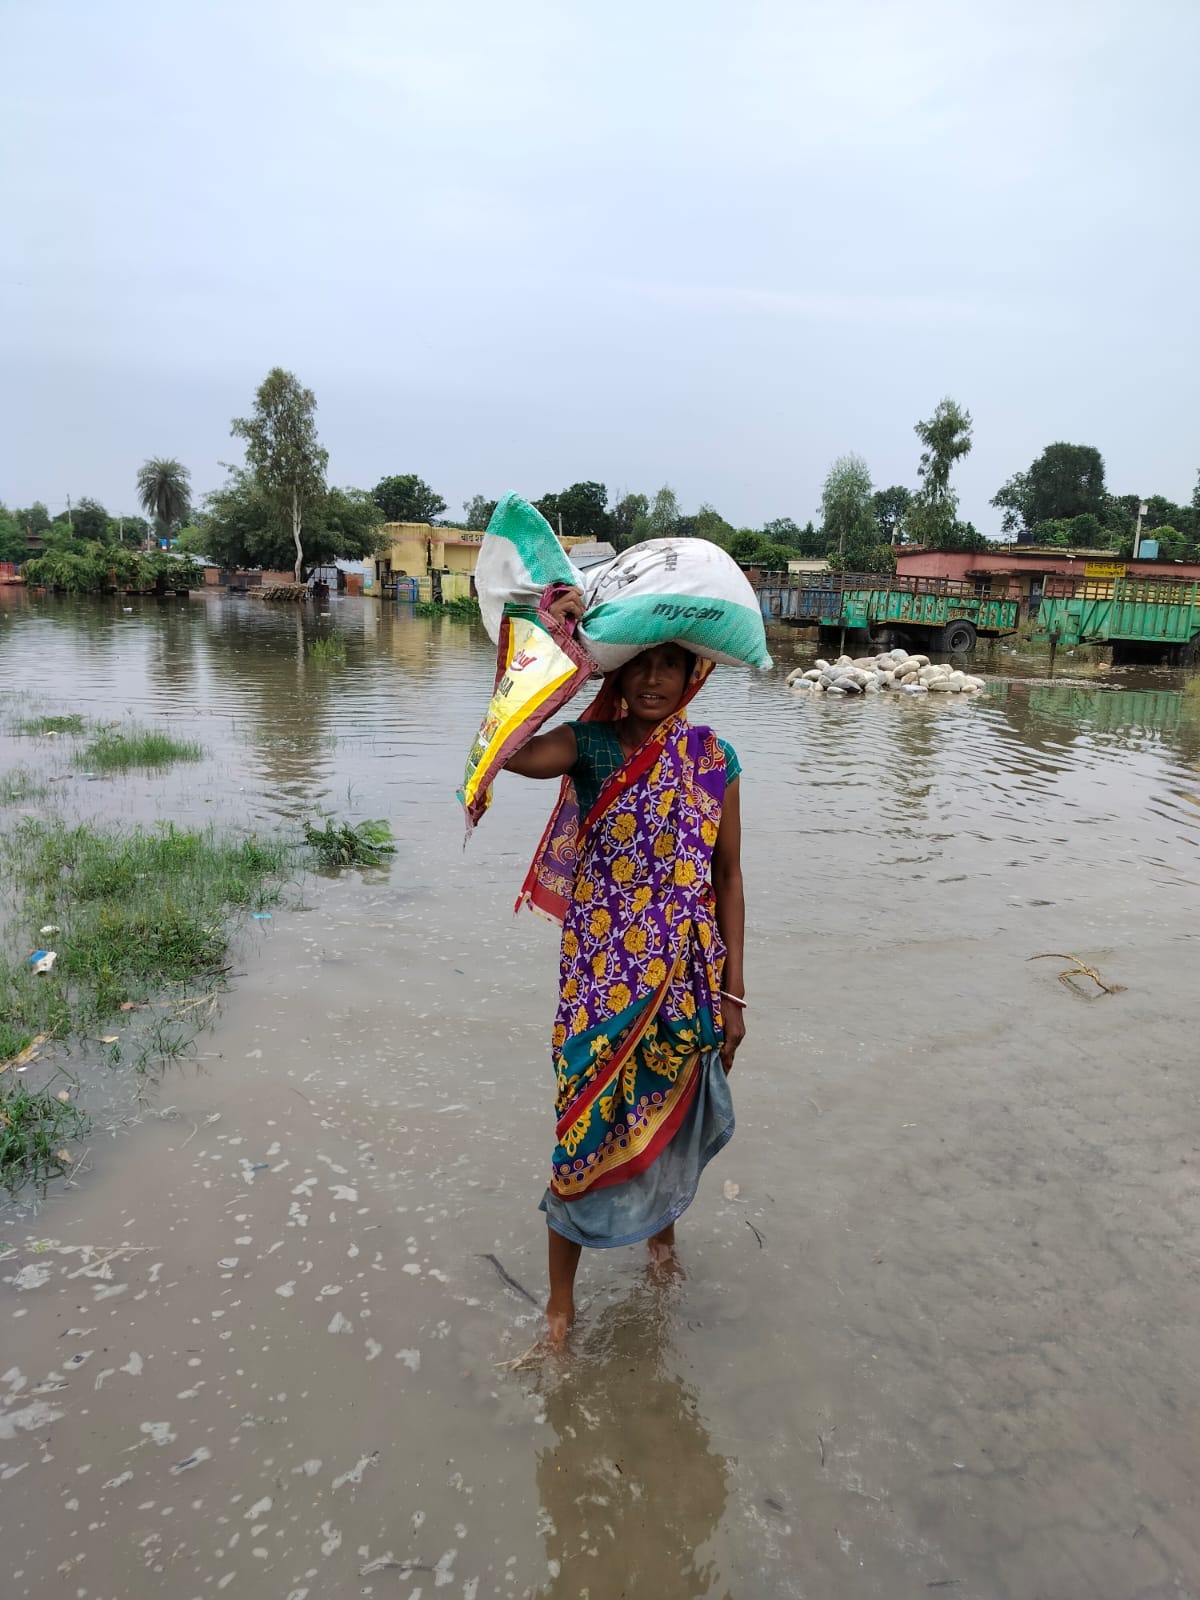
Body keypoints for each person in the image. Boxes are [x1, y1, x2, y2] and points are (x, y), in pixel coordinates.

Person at [503, 585, 746, 1344]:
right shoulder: (589, 745)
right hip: (599, 985)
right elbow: (510, 751)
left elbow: (727, 876)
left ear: (693, 674)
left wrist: (735, 996)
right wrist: (550, 644)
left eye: (669, 664)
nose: (652, 679)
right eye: (639, 662)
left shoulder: (713, 758)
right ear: (617, 669)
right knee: (580, 1130)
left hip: (684, 979)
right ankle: (560, 1306)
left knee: (662, 1121)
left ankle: (661, 1243)